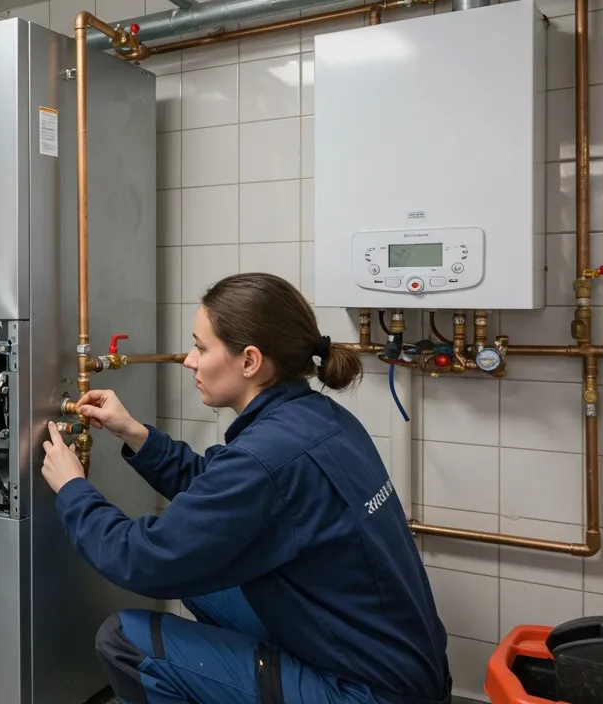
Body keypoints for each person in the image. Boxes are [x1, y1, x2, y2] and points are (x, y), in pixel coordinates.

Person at [39, 273, 451, 704]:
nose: (189, 361)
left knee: (124, 639)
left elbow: (142, 559)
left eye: (200, 347)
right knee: (199, 575)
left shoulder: (267, 457)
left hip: (366, 691)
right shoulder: (321, 419)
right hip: (402, 667)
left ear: (250, 361)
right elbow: (221, 499)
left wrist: (73, 489)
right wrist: (136, 435)